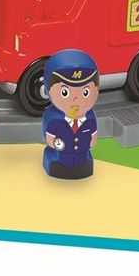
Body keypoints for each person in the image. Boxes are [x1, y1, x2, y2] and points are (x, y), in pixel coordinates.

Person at [41, 49, 100, 180]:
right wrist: (57, 144)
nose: (76, 99)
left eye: (85, 92)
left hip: (83, 160)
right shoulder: (54, 120)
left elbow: (93, 138)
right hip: (60, 160)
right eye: (65, 93)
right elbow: (49, 138)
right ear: (47, 90)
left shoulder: (90, 119)